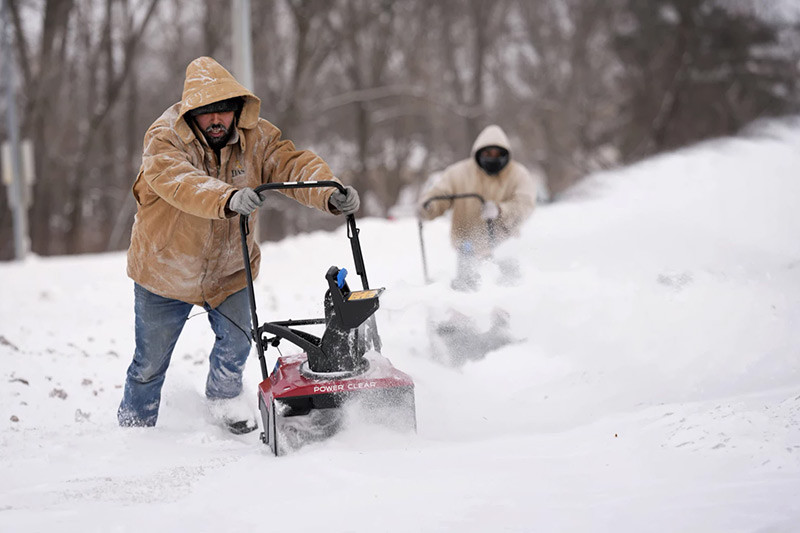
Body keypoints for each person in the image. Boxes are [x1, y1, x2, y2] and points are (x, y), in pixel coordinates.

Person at [118, 56, 360, 434]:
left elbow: (292, 164)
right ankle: (134, 429)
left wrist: (330, 192)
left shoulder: (257, 138)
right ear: (191, 114)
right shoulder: (163, 137)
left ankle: (224, 401)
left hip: (230, 269)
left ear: (237, 110)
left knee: (236, 345)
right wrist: (227, 198)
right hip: (165, 270)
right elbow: (179, 182)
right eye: (207, 113)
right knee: (148, 364)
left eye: (224, 112)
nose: (217, 120)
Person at [417, 125, 537, 290]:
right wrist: (429, 207)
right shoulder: (459, 173)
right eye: (488, 154)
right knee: (467, 297)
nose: (492, 158)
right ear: (479, 153)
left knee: (507, 297)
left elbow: (525, 204)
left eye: (497, 154)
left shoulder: (518, 175)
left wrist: (500, 210)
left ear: (505, 154)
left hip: (504, 249)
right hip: (468, 249)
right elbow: (441, 195)